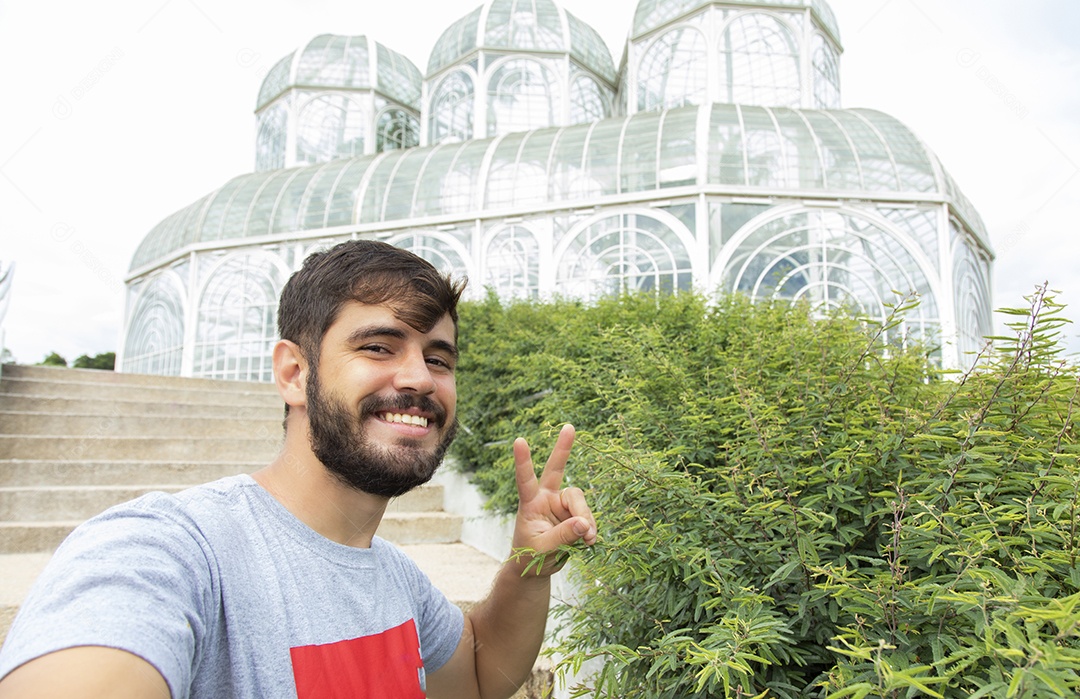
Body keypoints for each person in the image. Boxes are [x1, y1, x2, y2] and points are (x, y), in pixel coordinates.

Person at [0, 240, 597, 698]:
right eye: (379, 347)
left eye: (438, 357)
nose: (419, 378)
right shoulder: (166, 550)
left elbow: (475, 673)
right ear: (294, 374)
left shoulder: (394, 577)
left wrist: (528, 566)